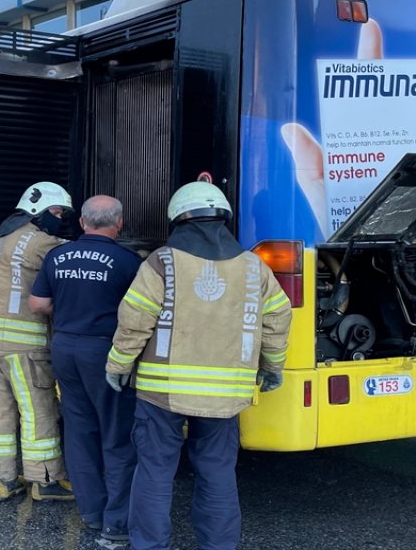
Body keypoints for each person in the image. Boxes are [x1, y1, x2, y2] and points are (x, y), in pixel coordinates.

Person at [106, 182, 292, 550]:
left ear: (177, 219)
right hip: (226, 395)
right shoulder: (253, 266)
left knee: (155, 472)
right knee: (217, 473)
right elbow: (278, 316)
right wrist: (273, 366)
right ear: (224, 219)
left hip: (162, 392)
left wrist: (118, 364)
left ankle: (149, 546)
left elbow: (135, 319)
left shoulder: (162, 262)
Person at [29, 195, 141, 542]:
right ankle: (116, 522)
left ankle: (91, 512)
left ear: (82, 222)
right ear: (119, 223)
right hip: (105, 351)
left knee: (79, 430)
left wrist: (68, 309)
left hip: (65, 347)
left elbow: (38, 304)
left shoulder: (57, 255)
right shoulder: (128, 261)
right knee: (117, 432)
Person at [0, 181, 76, 502]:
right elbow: (76, 257)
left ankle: (3, 480)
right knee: (38, 410)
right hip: (23, 346)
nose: (61, 219)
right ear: (38, 211)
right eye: (57, 212)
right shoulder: (43, 242)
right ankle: (45, 480)